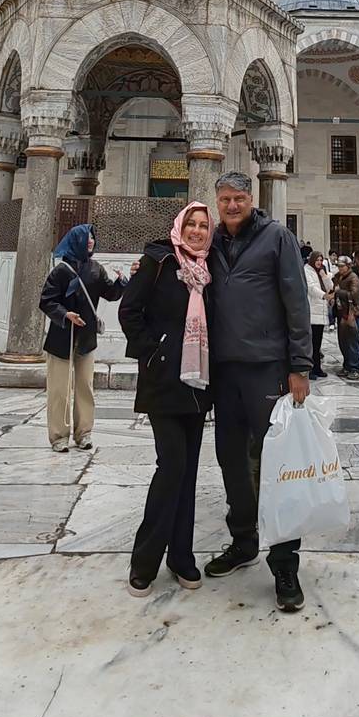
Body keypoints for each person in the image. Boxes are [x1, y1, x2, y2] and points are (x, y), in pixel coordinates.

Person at [204, 170, 312, 614]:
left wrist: (300, 365)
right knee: (231, 457)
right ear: (217, 202)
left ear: (252, 199)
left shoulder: (276, 237)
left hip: (267, 368)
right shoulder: (210, 243)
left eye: (239, 198)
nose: (232, 206)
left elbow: (296, 299)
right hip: (224, 371)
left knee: (274, 464)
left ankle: (284, 562)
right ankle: (243, 540)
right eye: (225, 199)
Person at [120, 202, 214, 596]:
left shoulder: (211, 271)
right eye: (190, 224)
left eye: (202, 226)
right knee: (171, 467)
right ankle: (144, 560)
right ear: (179, 226)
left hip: (199, 385)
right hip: (164, 383)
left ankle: (181, 557)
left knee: (188, 473)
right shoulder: (157, 261)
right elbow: (129, 311)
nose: (195, 231)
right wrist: (154, 351)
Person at [39, 224, 125, 452]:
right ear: (75, 240)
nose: (90, 241)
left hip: (85, 339)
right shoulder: (61, 271)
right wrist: (65, 314)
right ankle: (58, 436)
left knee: (85, 387)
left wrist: (124, 281)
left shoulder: (96, 269)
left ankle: (84, 433)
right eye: (86, 238)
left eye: (92, 237)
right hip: (62, 338)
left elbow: (111, 293)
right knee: (59, 389)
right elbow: (46, 301)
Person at [334, 256, 359, 380]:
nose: (340, 268)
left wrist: (339, 292)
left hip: (352, 313)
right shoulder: (338, 277)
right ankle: (347, 365)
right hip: (341, 312)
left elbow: (354, 294)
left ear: (348, 266)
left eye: (342, 266)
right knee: (343, 342)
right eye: (339, 266)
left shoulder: (353, 278)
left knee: (352, 342)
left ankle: (355, 368)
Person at [304, 251, 330, 378]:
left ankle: (317, 368)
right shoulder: (307, 271)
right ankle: (310, 369)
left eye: (321, 260)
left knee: (318, 343)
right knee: (312, 343)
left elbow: (330, 286)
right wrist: (323, 295)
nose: (319, 262)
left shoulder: (321, 271)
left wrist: (324, 276)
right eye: (317, 260)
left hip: (321, 310)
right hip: (312, 310)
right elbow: (311, 287)